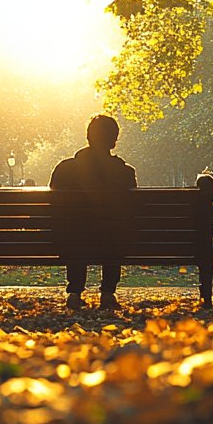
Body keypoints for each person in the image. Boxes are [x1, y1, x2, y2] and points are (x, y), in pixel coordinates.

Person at [50, 114, 137, 311]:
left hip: (70, 239)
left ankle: (75, 291)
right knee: (114, 230)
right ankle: (107, 293)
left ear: (88, 137)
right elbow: (131, 212)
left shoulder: (65, 169)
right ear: (114, 141)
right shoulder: (125, 173)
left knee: (75, 230)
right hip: (112, 240)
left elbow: (54, 208)